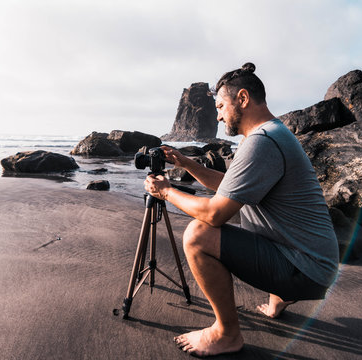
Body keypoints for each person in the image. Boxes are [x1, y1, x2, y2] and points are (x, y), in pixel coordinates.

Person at [144, 62, 339, 357]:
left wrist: (166, 191)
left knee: (198, 235)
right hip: (313, 259)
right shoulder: (272, 134)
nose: (219, 114)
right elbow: (230, 186)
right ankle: (281, 295)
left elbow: (215, 214)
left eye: (221, 105)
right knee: (213, 226)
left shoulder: (263, 142)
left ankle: (226, 334)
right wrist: (186, 163)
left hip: (306, 268)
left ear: (243, 99)